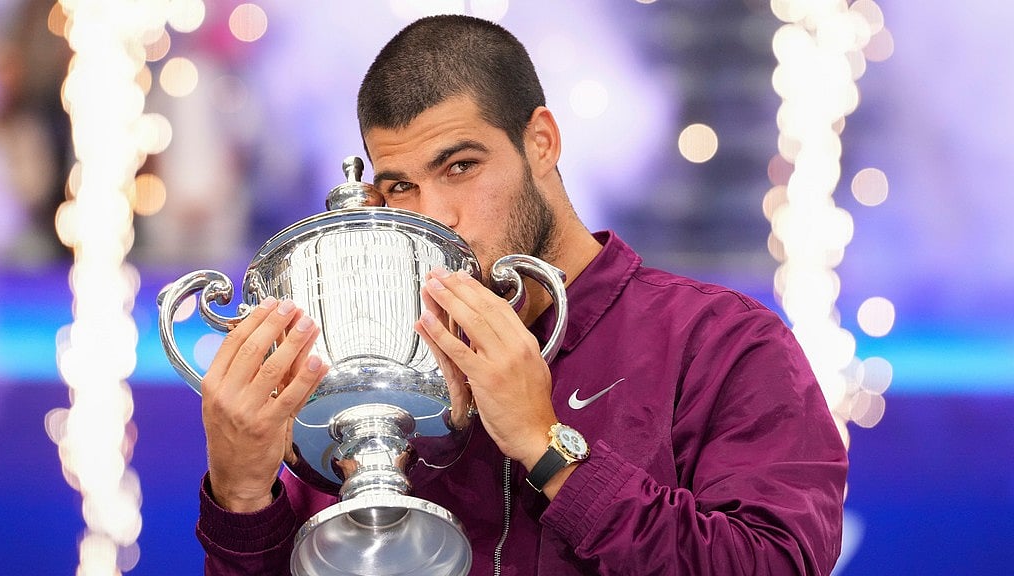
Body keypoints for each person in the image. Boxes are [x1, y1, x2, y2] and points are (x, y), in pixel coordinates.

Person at [195, 14, 848, 575]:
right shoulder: (375, 381)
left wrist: (549, 447)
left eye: (460, 166)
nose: (436, 215)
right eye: (400, 187)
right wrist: (242, 500)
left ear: (541, 142)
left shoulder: (721, 343)